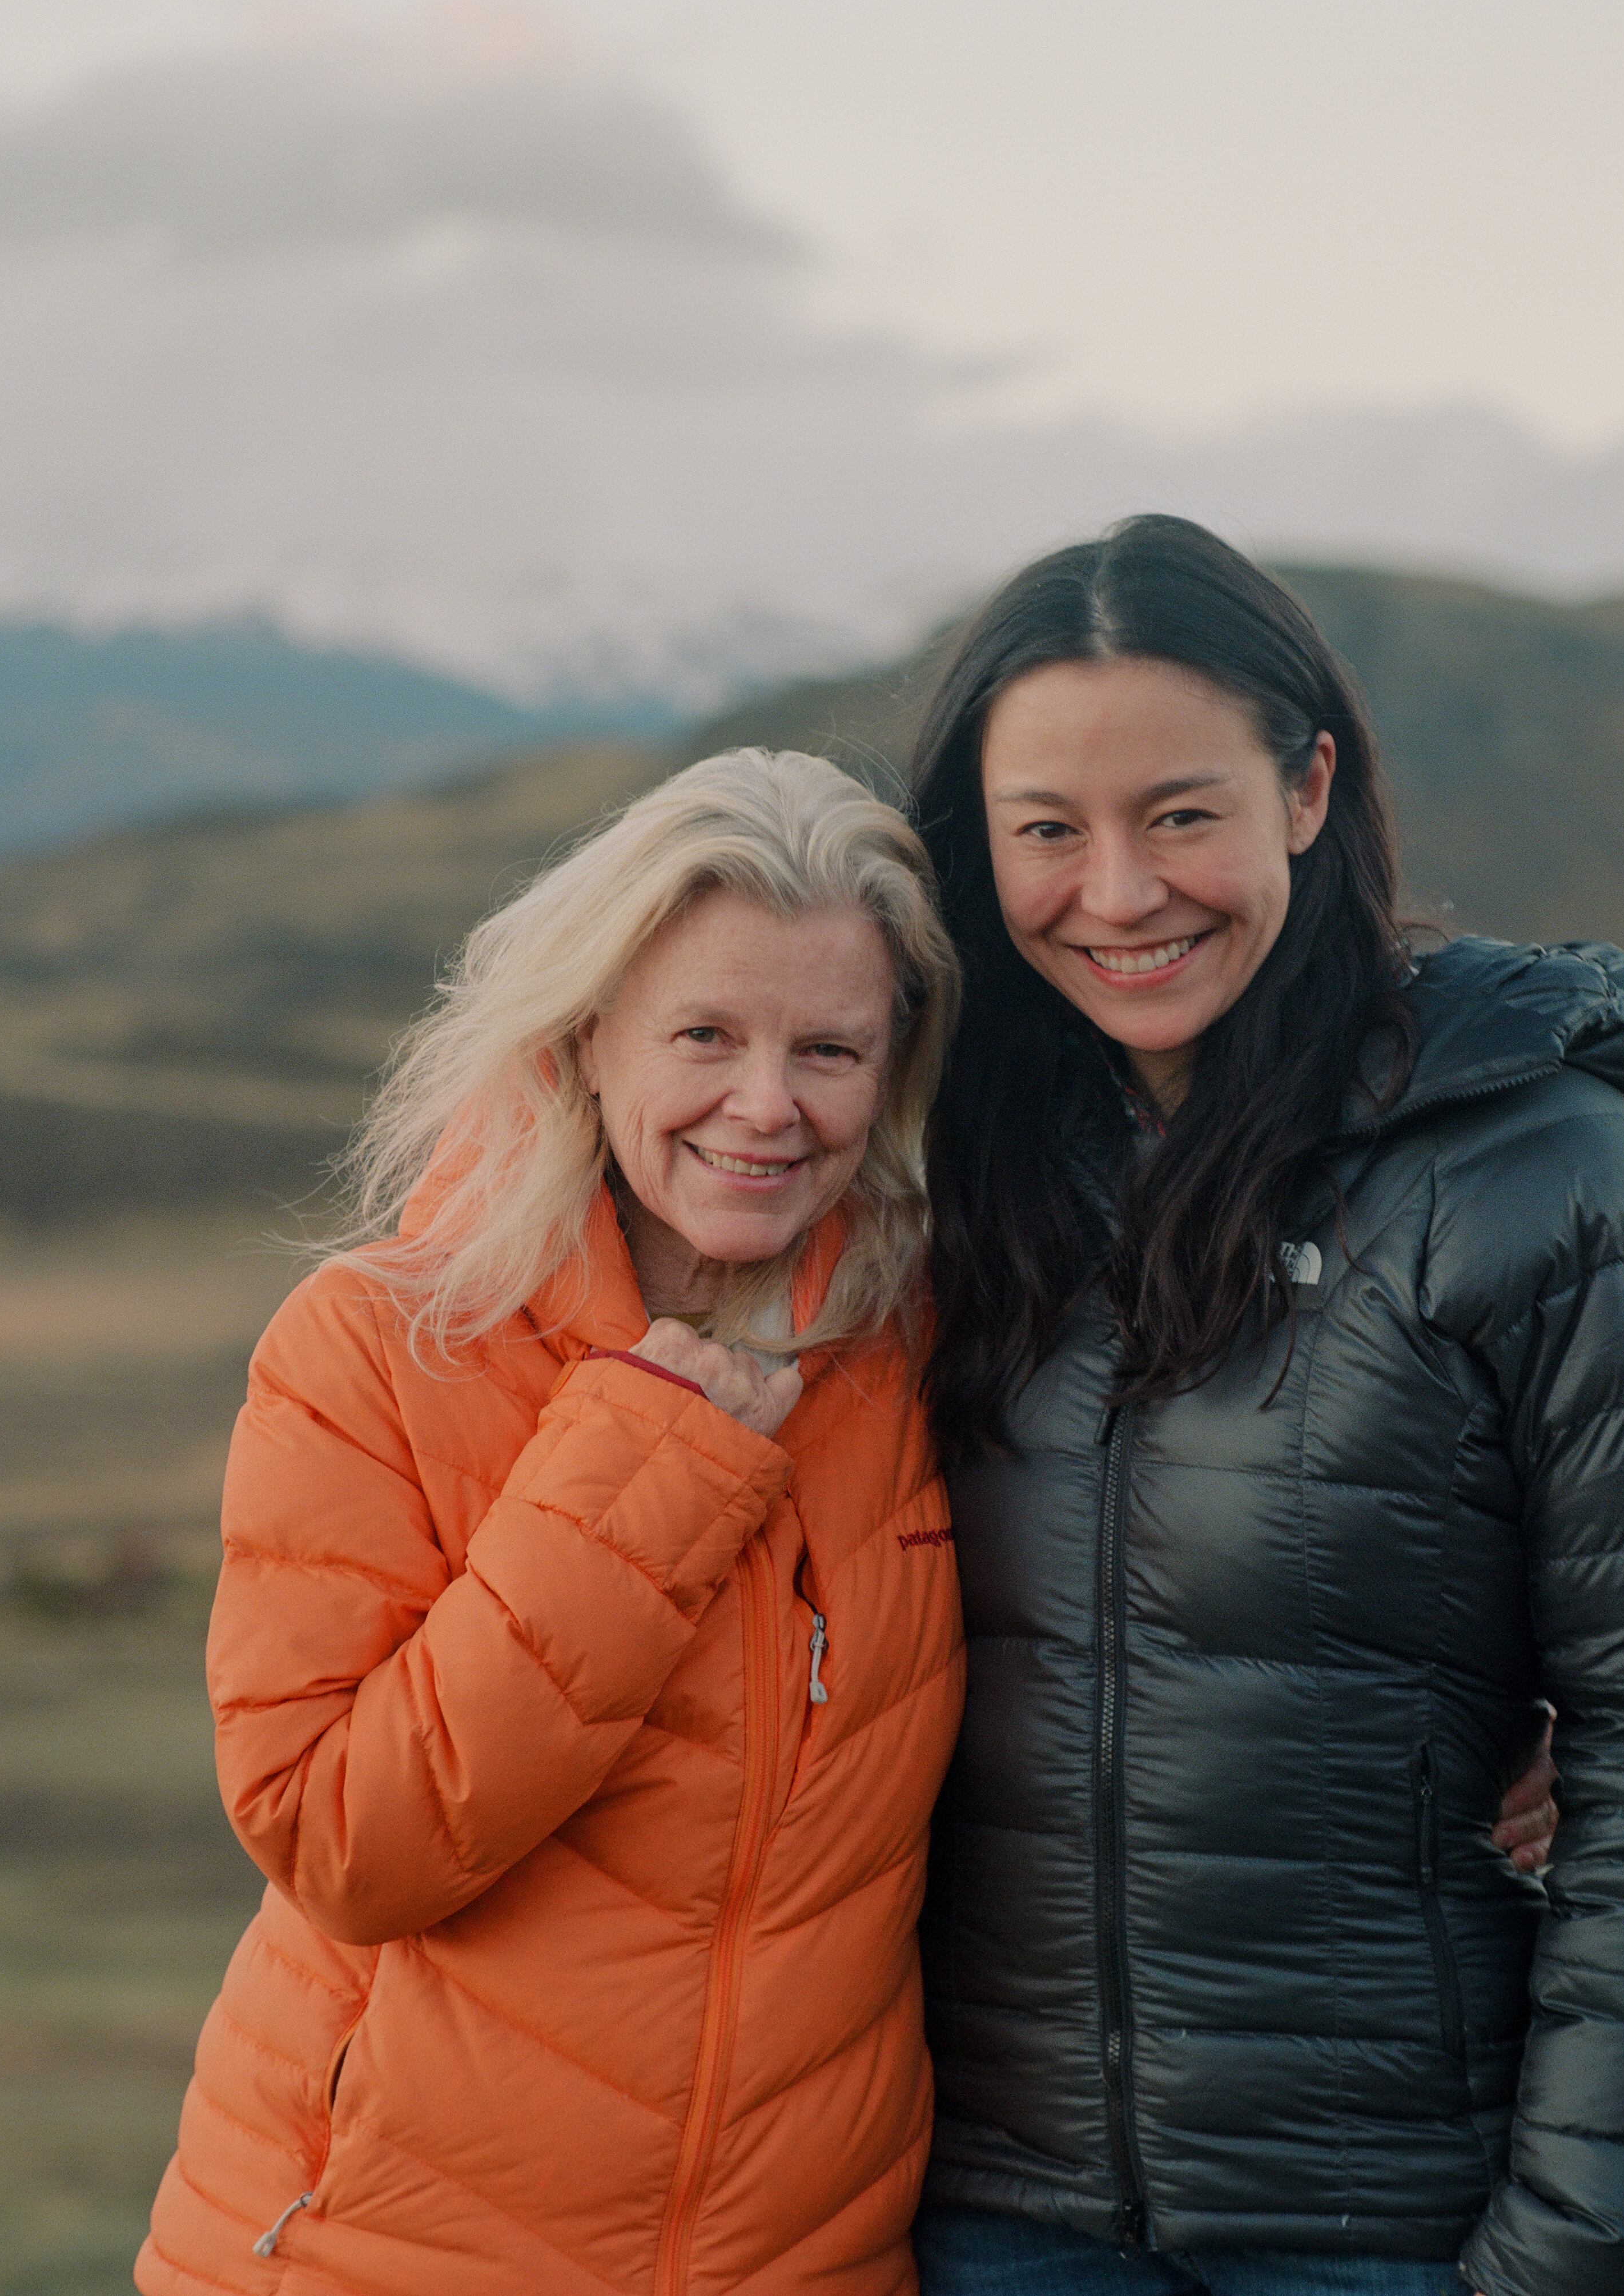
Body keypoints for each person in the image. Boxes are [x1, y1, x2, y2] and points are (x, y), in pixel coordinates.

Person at [906, 516, 1624, 2296]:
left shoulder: (1569, 1190)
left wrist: (1576, 2263)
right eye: (1047, 833)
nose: (1119, 892)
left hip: (1385, 2232)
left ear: (1308, 789)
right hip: (989, 2221)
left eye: (1181, 813)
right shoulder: (950, 1178)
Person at [136, 749, 969, 2296]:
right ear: (587, 1037)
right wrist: (649, 1457)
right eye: (705, 1035)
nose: (767, 1105)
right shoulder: (374, 1346)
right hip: (376, 2258)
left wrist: (1514, 1721)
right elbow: (342, 1838)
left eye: (831, 1049)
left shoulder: (925, 1350)